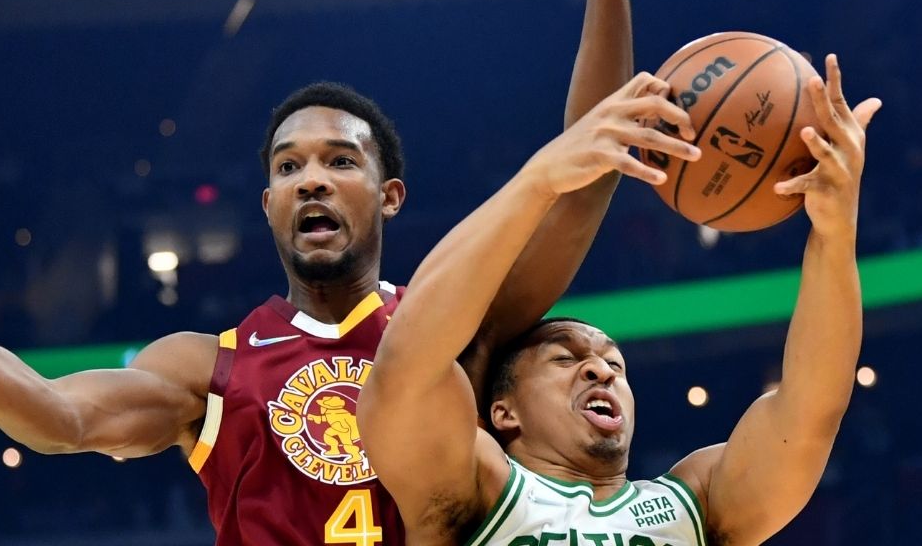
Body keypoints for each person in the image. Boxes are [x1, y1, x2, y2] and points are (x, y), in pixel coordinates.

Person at [0, 0, 699, 545]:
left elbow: (584, 182)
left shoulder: (457, 329)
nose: (311, 179)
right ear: (267, 207)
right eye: (288, 168)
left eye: (339, 161)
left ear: (390, 196)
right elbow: (56, 419)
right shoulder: (207, 366)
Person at [358, 56, 881, 546]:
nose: (600, 371)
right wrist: (540, 179)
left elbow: (811, 409)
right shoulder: (475, 490)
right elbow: (408, 361)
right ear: (503, 412)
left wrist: (835, 234)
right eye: (565, 359)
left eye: (614, 362)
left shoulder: (695, 503)